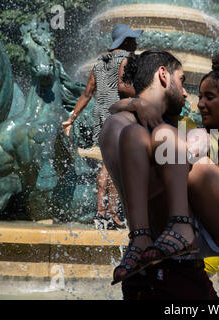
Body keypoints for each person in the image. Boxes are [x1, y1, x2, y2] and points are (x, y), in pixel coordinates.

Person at [105, 52, 219, 298]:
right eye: (200, 96)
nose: (199, 103)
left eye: (209, 97)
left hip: (203, 255)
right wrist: (134, 103)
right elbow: (133, 110)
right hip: (183, 258)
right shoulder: (186, 125)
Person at [61, 24, 143, 229]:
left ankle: (104, 213)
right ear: (125, 41)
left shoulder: (99, 62)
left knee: (109, 164)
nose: (135, 43)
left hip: (101, 117)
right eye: (132, 39)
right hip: (117, 116)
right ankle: (110, 214)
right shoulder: (126, 59)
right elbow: (124, 87)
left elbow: (87, 93)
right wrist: (144, 93)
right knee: (116, 166)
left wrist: (72, 117)